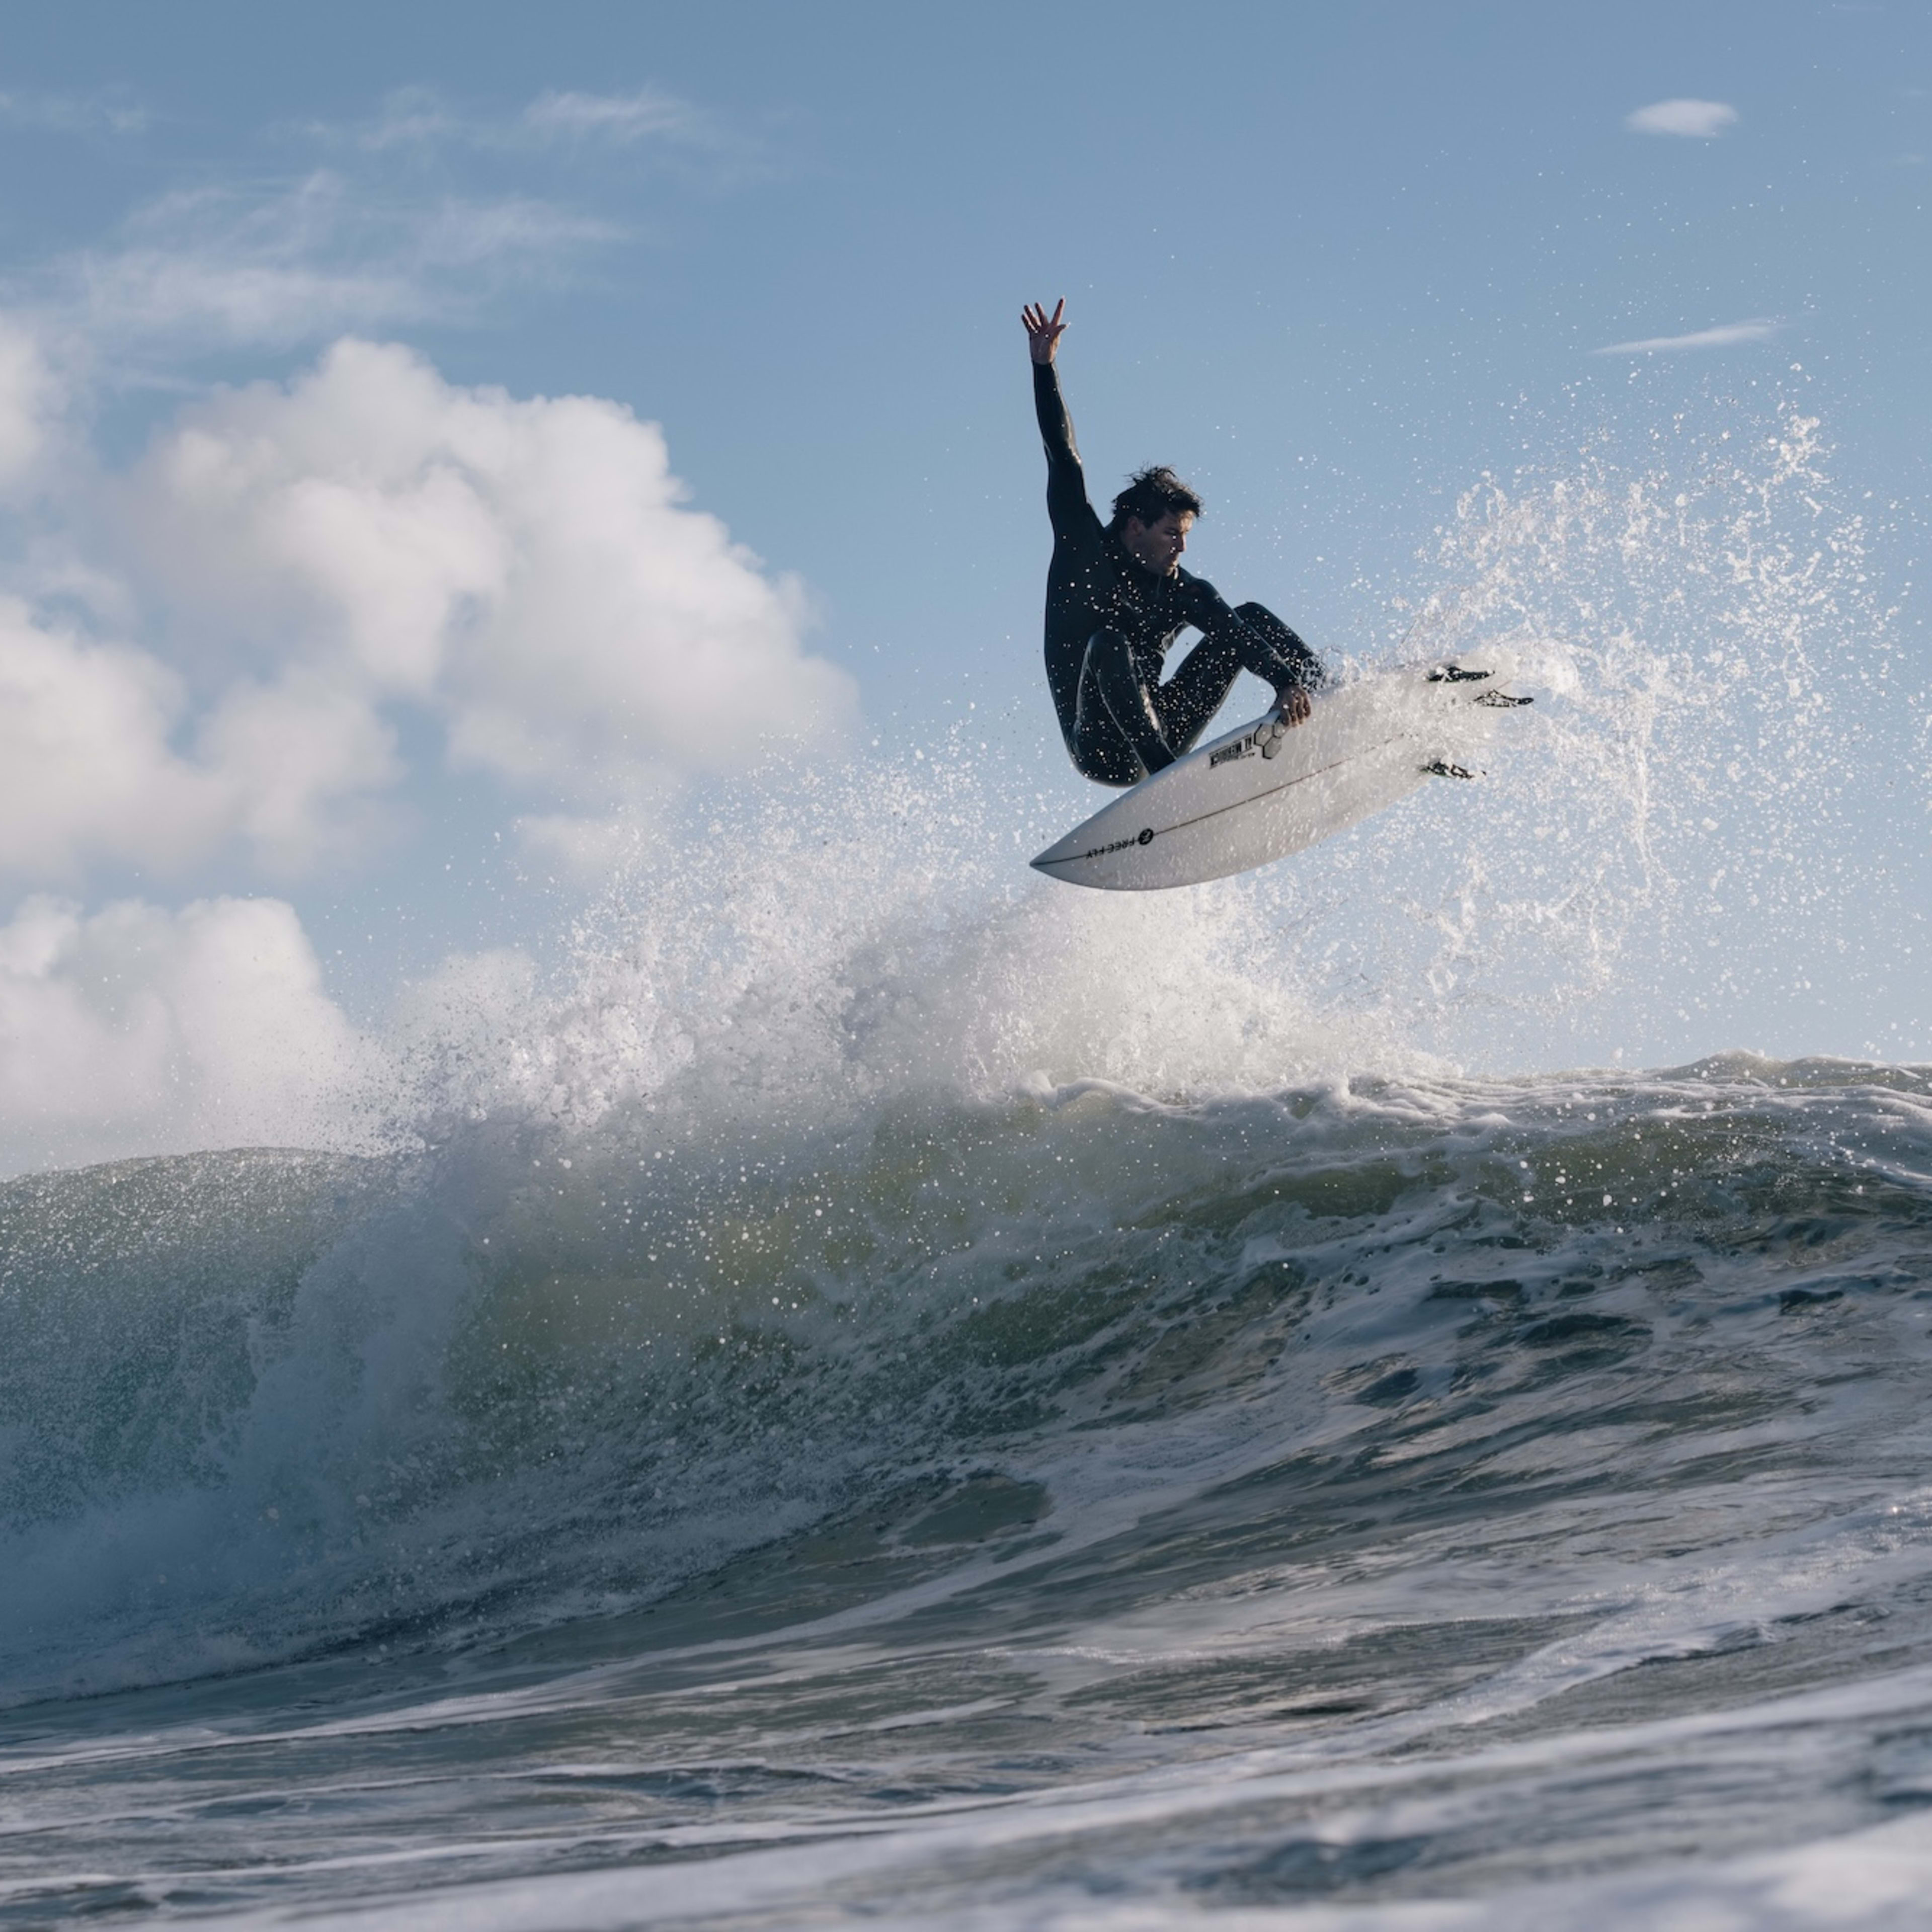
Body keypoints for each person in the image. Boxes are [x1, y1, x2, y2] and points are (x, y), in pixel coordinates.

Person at [1023, 298, 1324, 786]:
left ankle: (1329, 696)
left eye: (1185, 537)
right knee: (1109, 644)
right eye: (1172, 535)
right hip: (1100, 745)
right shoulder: (1083, 547)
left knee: (1245, 617)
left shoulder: (1183, 589)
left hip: (1164, 728)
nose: (1181, 550)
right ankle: (1168, 783)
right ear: (1135, 526)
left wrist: (1285, 681)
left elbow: (1239, 638)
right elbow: (1063, 456)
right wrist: (1044, 368)